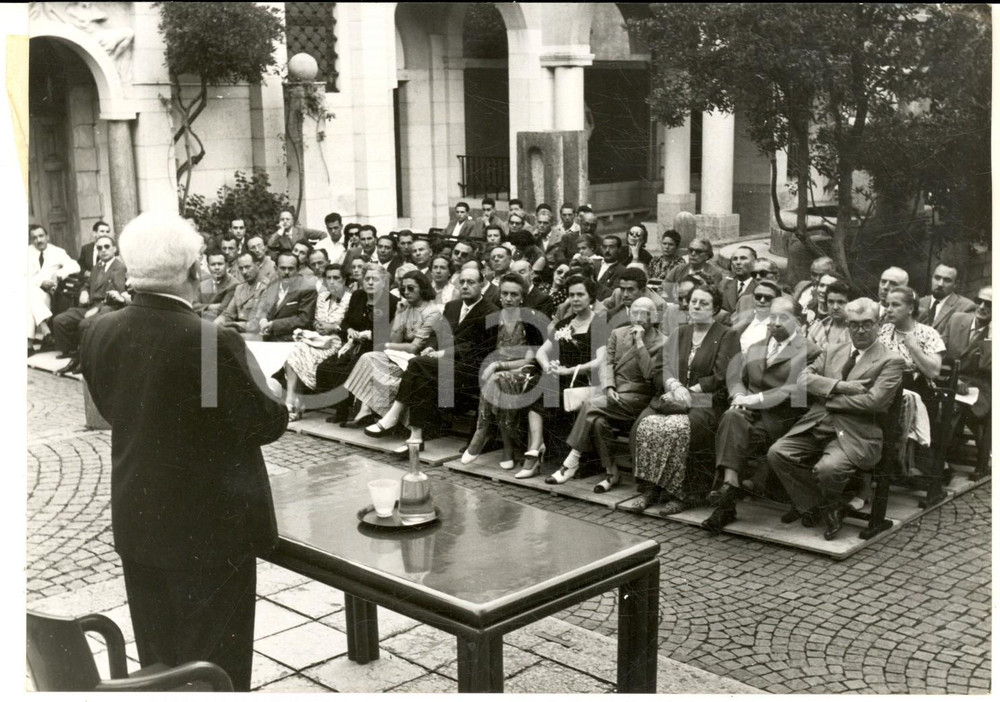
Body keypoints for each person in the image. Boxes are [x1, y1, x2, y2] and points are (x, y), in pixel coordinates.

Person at [80, 212, 287, 691]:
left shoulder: (100, 331)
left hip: (141, 519)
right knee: (217, 668)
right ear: (193, 271)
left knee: (161, 661)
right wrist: (271, 388)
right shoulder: (210, 340)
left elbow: (115, 407)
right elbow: (264, 423)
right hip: (211, 532)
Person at [767, 298, 905, 540]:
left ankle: (819, 506)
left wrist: (827, 397)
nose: (860, 330)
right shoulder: (832, 350)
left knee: (828, 470)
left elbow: (873, 402)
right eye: (853, 324)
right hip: (817, 423)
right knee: (778, 453)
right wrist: (840, 386)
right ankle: (822, 506)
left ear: (879, 324)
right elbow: (802, 380)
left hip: (856, 432)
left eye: (867, 324)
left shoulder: (891, 360)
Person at [702, 297, 821, 532]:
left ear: (798, 321)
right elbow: (737, 379)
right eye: (772, 317)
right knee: (732, 416)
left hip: (781, 419)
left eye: (783, 318)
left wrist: (753, 400)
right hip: (748, 416)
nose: (775, 323)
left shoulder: (810, 352)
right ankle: (731, 485)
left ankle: (726, 502)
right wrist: (738, 396)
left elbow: (796, 391)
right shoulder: (757, 347)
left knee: (732, 424)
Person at [628, 284, 740, 514]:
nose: (696, 306)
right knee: (644, 424)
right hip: (673, 394)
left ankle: (684, 493)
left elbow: (723, 374)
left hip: (707, 400)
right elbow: (663, 366)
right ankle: (651, 489)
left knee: (683, 428)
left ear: (715, 308)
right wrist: (674, 385)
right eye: (694, 301)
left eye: (704, 303)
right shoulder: (680, 333)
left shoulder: (727, 335)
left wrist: (692, 390)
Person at [365, 264, 499, 454]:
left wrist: (442, 353)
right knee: (421, 373)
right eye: (462, 282)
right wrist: (431, 346)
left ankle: (394, 416)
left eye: (471, 282)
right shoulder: (453, 306)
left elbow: (476, 347)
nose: (466, 286)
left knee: (417, 364)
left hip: (470, 369)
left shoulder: (491, 311)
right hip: (445, 366)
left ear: (482, 284)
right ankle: (416, 437)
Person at [561, 297, 665, 492]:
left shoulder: (662, 342)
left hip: (638, 399)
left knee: (590, 405)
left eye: (644, 314)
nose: (639, 318)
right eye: (635, 313)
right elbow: (607, 363)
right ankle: (612, 473)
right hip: (614, 394)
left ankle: (573, 458)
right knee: (598, 421)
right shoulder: (618, 333)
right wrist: (609, 386)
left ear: (654, 317)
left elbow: (650, 374)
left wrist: (640, 343)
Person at [461, 273, 546, 470]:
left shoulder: (531, 320)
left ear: (522, 297)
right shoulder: (491, 320)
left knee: (497, 379)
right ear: (499, 295)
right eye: (505, 294)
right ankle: (507, 448)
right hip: (498, 375)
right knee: (498, 381)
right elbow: (481, 353)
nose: (508, 299)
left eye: (514, 295)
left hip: (526, 371)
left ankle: (481, 433)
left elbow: (532, 358)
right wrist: (492, 366)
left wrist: (498, 366)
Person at [533, 276, 609, 484]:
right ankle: (540, 449)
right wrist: (549, 366)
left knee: (547, 388)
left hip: (587, 381)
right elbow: (541, 352)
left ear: (591, 297)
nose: (575, 299)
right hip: (564, 379)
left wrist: (570, 371)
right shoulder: (565, 324)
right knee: (540, 384)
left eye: (580, 295)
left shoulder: (599, 323)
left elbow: (599, 361)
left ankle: (542, 453)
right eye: (571, 295)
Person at [341, 270, 441, 426]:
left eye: (411, 288)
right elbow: (396, 339)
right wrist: (400, 314)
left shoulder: (432, 312)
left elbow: (414, 347)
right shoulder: (406, 308)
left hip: (419, 359)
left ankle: (385, 417)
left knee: (377, 359)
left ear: (422, 288)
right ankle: (366, 410)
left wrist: (385, 345)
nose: (406, 293)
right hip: (400, 355)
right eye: (403, 289)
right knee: (367, 357)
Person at [315, 263, 398, 424]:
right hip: (352, 344)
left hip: (375, 347)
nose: (370, 283)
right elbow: (345, 322)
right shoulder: (358, 296)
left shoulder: (391, 302)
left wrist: (368, 335)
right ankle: (338, 408)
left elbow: (391, 333)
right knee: (325, 367)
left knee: (348, 371)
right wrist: (350, 330)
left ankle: (344, 412)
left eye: (375, 279)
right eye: (367, 279)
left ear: (384, 282)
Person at [281, 263, 352, 419]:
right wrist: (318, 326)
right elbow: (314, 320)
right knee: (295, 349)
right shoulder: (322, 297)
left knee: (299, 353)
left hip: (337, 342)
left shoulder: (350, 299)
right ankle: (294, 399)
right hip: (318, 339)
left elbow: (349, 325)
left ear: (344, 280)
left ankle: (294, 402)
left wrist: (334, 327)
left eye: (336, 278)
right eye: (329, 278)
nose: (332, 282)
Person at [53, 233, 128, 374]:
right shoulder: (97, 267)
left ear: (114, 249)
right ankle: (75, 354)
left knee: (85, 324)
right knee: (60, 320)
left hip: (108, 307)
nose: (103, 250)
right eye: (99, 248)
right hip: (90, 305)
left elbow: (117, 294)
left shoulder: (119, 268)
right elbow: (87, 284)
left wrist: (97, 308)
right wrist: (84, 292)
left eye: (107, 247)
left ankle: (83, 360)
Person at [941, 287, 991, 454]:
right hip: (949, 379)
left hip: (978, 389)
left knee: (951, 408)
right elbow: (939, 352)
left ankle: (937, 462)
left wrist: (990, 336)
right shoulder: (956, 319)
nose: (982, 307)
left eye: (990, 304)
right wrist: (953, 379)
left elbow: (987, 367)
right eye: (979, 301)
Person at [877, 285, 945, 397]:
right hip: (883, 389)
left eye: (895, 305)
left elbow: (933, 372)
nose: (888, 310)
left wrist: (914, 347)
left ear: (910, 309)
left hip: (917, 393)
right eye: (888, 305)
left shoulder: (928, 333)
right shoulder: (883, 331)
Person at [28, 224, 80, 349]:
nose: (39, 240)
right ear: (31, 240)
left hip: (50, 294)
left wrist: (59, 274)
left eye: (41, 236)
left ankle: (28, 344)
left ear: (47, 237)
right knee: (29, 294)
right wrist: (40, 282)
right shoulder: (26, 253)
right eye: (34, 238)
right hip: (34, 292)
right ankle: (44, 330)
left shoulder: (57, 252)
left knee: (28, 296)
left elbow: (75, 266)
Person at [253, 252, 318, 341]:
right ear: (276, 268)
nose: (286, 272)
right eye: (282, 268)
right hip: (268, 335)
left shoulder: (307, 288)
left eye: (291, 269)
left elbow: (304, 320)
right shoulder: (273, 284)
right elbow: (264, 308)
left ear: (298, 269)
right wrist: (263, 321)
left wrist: (273, 325)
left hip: (293, 338)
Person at [216, 253, 269, 333]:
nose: (244, 272)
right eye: (241, 268)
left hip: (255, 333)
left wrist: (232, 325)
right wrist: (214, 324)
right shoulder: (239, 288)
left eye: (247, 267)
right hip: (236, 331)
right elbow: (228, 314)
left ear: (257, 265)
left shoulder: (267, 287)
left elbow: (257, 322)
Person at [918, 263, 976, 333]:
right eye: (937, 278)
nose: (940, 284)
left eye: (947, 280)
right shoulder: (919, 303)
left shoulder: (965, 307)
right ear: (931, 278)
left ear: (955, 284)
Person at [738, 279, 783, 351]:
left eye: (768, 298)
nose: (762, 301)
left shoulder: (781, 327)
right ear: (753, 298)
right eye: (758, 296)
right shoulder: (742, 322)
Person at [807, 279, 852, 346]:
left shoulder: (856, 331)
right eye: (831, 302)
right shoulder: (816, 328)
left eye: (840, 302)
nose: (835, 307)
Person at [194, 249, 237, 320]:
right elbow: (193, 306)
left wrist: (200, 308)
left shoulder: (233, 284)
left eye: (220, 264)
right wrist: (210, 307)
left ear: (226, 265)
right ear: (208, 266)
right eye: (213, 264)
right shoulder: (202, 284)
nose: (216, 268)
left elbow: (221, 310)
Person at [720, 245, 757, 323]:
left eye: (743, 258)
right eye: (735, 259)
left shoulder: (759, 287)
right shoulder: (724, 284)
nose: (738, 262)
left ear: (754, 262)